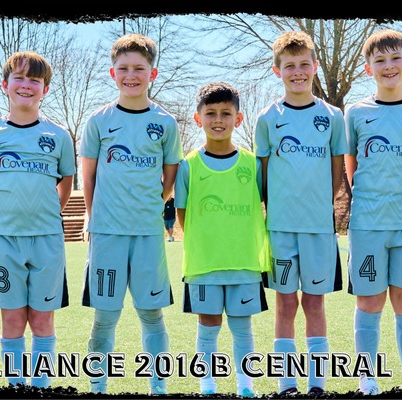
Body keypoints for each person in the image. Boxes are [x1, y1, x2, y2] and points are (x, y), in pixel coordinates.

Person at [78, 33, 180, 395]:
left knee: (152, 314)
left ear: (152, 73)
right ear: (113, 73)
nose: (131, 75)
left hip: (148, 233)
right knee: (105, 316)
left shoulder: (165, 123)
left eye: (139, 68)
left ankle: (158, 387)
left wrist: (150, 206)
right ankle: (98, 387)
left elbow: (169, 178)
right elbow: (88, 177)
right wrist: (94, 218)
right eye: (123, 69)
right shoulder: (98, 120)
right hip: (107, 233)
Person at [0, 51, 75, 388]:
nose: (26, 85)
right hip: (4, 240)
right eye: (19, 78)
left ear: (45, 89)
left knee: (42, 322)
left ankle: (41, 387)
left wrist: (49, 215)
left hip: (47, 240)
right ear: (5, 84)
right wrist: (3, 214)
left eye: (35, 80)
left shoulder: (58, 136)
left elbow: (66, 183)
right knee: (13, 321)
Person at [253, 30, 347, 395]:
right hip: (280, 229)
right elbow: (262, 176)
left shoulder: (332, 116)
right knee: (285, 303)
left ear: (315, 66)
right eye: (289, 65)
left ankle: (317, 384)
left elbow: (337, 172)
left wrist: (320, 205)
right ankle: (286, 383)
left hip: (318, 229)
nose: (297, 72)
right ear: (277, 70)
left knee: (314, 303)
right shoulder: (267, 118)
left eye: (304, 64)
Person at [342, 29, 402, 395]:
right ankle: (367, 380)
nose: (388, 65)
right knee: (369, 301)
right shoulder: (356, 113)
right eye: (379, 60)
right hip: (367, 224)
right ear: (368, 68)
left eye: (396, 58)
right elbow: (352, 168)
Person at [177, 82, 268, 398]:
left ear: (238, 119)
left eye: (226, 113)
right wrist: (207, 242)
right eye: (211, 113)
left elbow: (265, 203)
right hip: (204, 264)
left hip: (244, 262)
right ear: (198, 118)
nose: (218, 120)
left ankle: (246, 386)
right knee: (208, 326)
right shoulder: (188, 165)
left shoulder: (252, 164)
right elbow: (183, 215)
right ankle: (208, 386)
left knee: (242, 328)